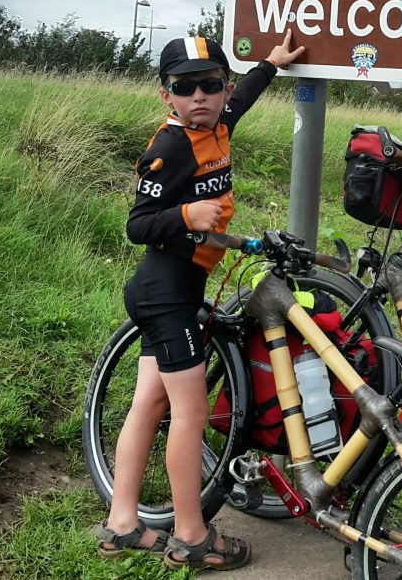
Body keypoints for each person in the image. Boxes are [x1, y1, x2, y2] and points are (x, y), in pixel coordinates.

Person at [97, 31, 304, 570]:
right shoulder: (169, 147)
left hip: (174, 289)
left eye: (209, 85)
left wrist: (271, 65)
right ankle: (192, 535)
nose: (200, 96)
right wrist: (187, 217)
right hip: (165, 293)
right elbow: (137, 224)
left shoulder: (218, 121)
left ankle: (122, 524)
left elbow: (244, 98)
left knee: (150, 403)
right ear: (166, 95)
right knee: (188, 415)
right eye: (184, 87)